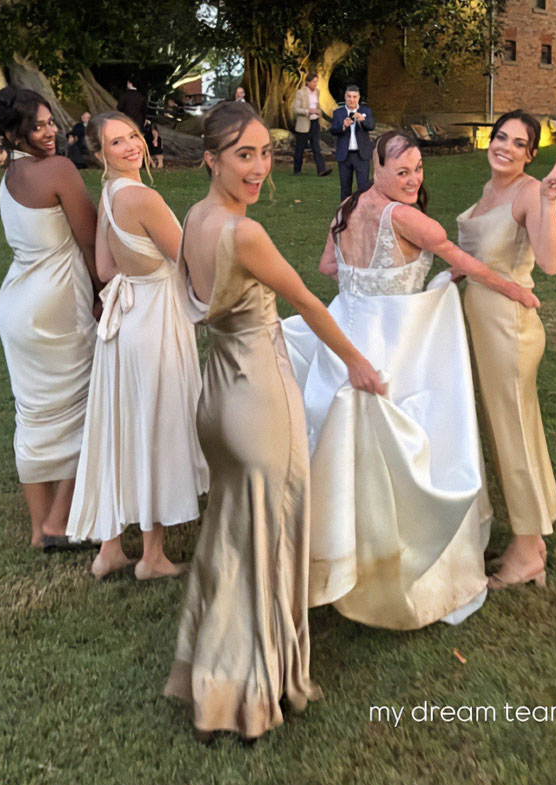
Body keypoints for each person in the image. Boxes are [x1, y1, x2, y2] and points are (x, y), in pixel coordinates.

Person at [164, 101, 385, 740]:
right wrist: (357, 364)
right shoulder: (243, 233)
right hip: (260, 399)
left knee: (231, 540)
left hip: (219, 400)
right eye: (244, 156)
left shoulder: (196, 217)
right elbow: (309, 300)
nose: (260, 168)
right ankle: (249, 696)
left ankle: (213, 682)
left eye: (265, 153)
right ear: (210, 158)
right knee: (265, 543)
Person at [282, 129, 540, 629]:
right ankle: (401, 562)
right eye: (402, 171)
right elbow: (463, 261)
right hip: (393, 343)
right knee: (406, 447)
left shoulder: (346, 208)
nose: (414, 179)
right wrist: (513, 289)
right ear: (375, 169)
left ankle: (333, 552)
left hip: (346, 329)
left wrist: (368, 276)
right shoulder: (407, 218)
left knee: (339, 443)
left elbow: (327, 265)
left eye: (419, 169)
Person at [66, 111, 208, 579]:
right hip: (152, 319)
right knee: (155, 424)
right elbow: (185, 257)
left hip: (124, 322)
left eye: (132, 137)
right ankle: (152, 555)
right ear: (100, 153)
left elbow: (106, 270)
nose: (130, 147)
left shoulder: (107, 195)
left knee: (121, 426)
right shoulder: (141, 196)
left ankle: (110, 548)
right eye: (116, 142)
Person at [457, 109, 556, 589]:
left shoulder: (530, 192)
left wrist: (548, 203)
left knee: (515, 439)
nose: (504, 147)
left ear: (531, 154)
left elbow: (550, 263)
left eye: (517, 143)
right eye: (499, 136)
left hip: (510, 331)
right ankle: (529, 534)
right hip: (485, 328)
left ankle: (529, 551)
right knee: (505, 433)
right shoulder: (491, 190)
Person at [0, 86, 100, 550]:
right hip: (57, 305)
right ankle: (57, 521)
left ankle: (41, 531)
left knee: (32, 415)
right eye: (38, 126)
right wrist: (103, 293)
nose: (51, 130)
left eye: (50, 120)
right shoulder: (58, 170)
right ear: (15, 132)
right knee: (89, 404)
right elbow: (91, 241)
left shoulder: (10, 174)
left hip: (15, 305)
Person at [330, 85, 374, 200]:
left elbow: (372, 126)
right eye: (349, 96)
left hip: (361, 155)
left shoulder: (365, 111)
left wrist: (363, 120)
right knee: (345, 188)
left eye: (354, 97)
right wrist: (343, 126)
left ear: (358, 97)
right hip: (344, 156)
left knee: (363, 187)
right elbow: (333, 130)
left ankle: (363, 212)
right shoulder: (338, 113)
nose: (351, 99)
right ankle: (345, 213)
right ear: (345, 97)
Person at [293, 73, 331, 177]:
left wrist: (318, 112)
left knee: (316, 148)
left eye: (316, 81)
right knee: (299, 149)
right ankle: (297, 170)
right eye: (314, 82)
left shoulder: (317, 92)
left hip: (314, 123)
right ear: (308, 82)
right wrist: (308, 111)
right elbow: (296, 109)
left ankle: (321, 170)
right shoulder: (300, 93)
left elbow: (318, 105)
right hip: (304, 124)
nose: (316, 84)